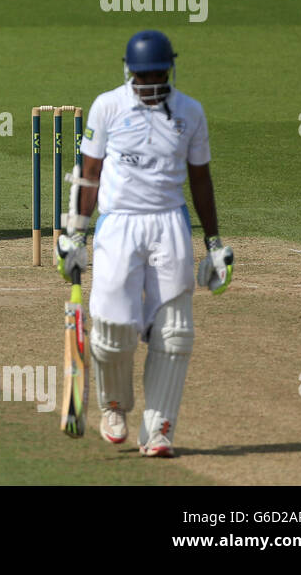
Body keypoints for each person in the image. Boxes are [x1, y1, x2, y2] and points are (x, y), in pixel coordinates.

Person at [57, 30, 233, 458]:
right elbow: (90, 172)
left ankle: (158, 430)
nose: (150, 80)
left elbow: (200, 179)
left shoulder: (190, 112)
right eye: (143, 74)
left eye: (156, 72)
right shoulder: (108, 105)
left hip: (169, 223)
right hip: (118, 225)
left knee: (174, 332)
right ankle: (114, 407)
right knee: (112, 331)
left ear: (168, 70)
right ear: (130, 73)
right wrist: (76, 232)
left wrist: (213, 243)